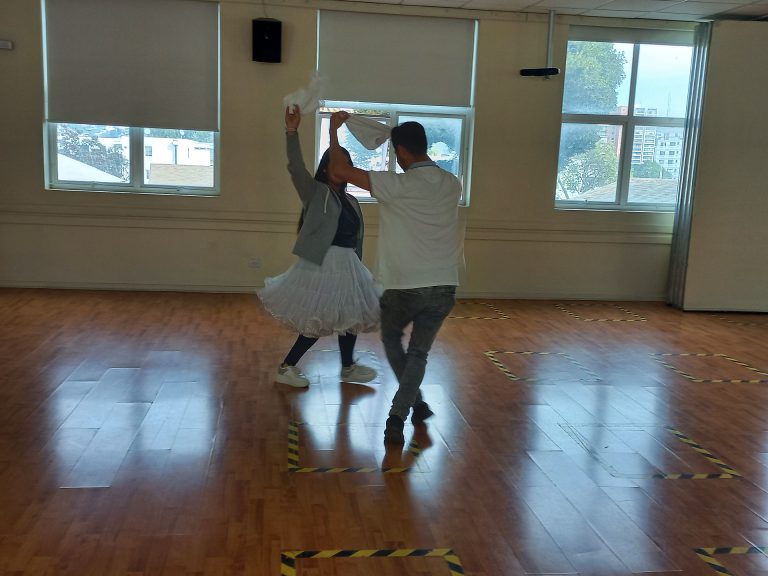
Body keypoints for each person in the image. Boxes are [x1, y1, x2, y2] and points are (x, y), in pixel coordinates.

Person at [328, 113, 464, 444]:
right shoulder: (452, 183)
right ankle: (411, 406)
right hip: (445, 285)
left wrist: (334, 129)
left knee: (392, 340)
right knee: (419, 354)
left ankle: (398, 415)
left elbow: (337, 171)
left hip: (404, 286)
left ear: (401, 151)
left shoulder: (395, 185)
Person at [258, 106, 380, 388]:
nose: (345, 169)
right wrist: (292, 131)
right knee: (318, 319)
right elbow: (295, 167)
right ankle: (287, 366)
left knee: (351, 316)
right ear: (327, 168)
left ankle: (348, 367)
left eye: (348, 164)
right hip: (323, 266)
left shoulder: (352, 201)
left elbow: (356, 238)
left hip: (348, 265)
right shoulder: (315, 193)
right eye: (340, 164)